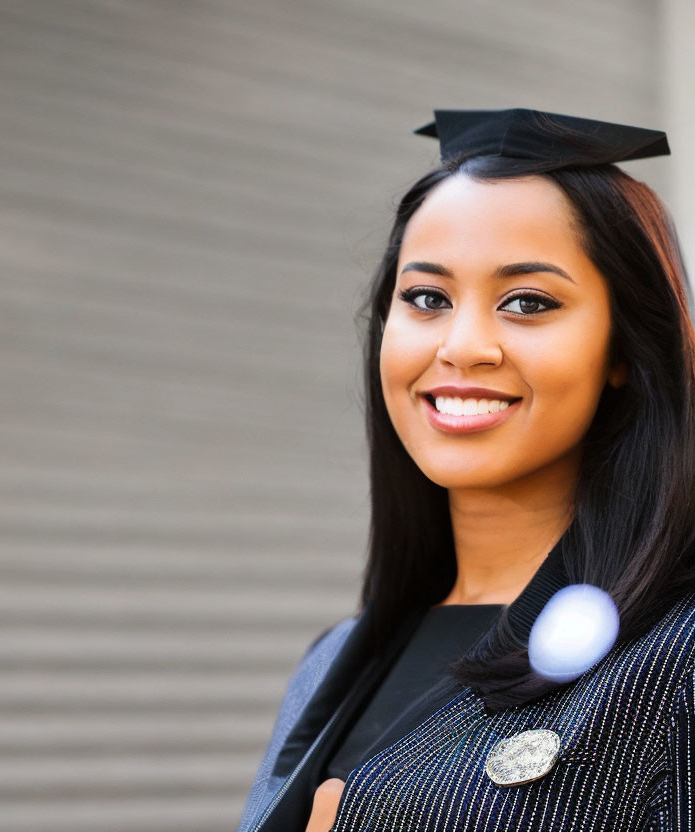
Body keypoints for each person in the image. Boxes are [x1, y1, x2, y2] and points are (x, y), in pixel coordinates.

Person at [234, 108, 695, 832]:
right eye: (427, 299)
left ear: (625, 350)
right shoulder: (329, 661)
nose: (463, 345)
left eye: (528, 303)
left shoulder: (677, 657)